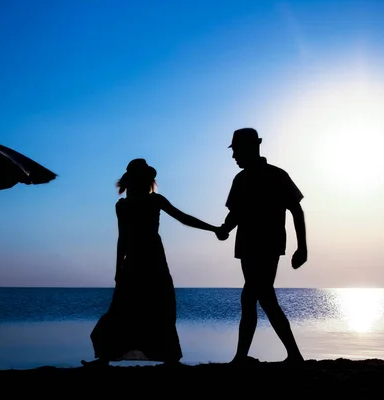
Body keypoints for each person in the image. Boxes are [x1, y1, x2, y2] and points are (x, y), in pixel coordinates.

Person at [81, 158, 222, 367]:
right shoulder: (125, 205)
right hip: (142, 260)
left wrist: (214, 229)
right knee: (127, 308)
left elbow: (183, 218)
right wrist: (118, 269)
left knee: (151, 307)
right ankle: (107, 357)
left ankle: (167, 358)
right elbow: (122, 238)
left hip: (150, 260)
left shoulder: (153, 201)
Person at [215, 128, 307, 364]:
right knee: (261, 297)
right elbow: (235, 213)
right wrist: (225, 228)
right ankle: (288, 355)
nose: (234, 156)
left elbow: (296, 210)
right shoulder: (241, 179)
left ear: (250, 148)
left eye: (236, 150)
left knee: (255, 296)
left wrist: (303, 247)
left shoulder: (277, 175)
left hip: (268, 244)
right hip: (247, 245)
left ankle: (245, 357)